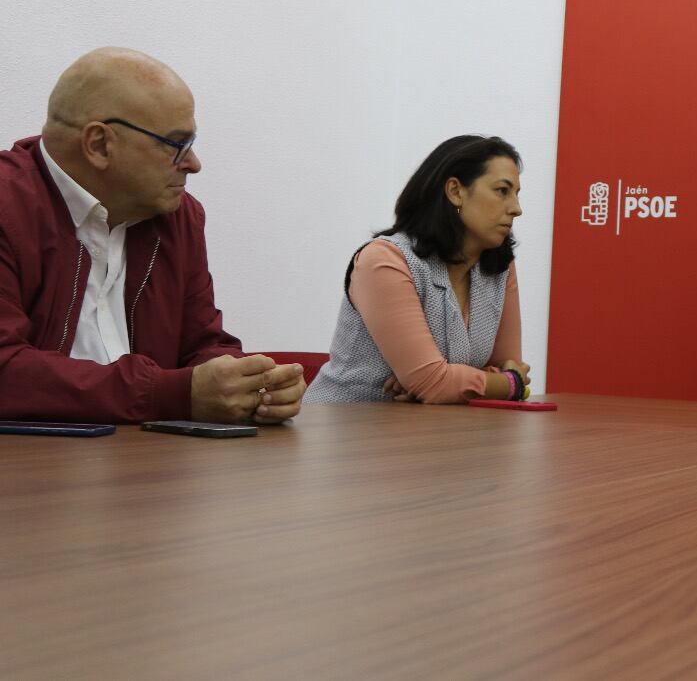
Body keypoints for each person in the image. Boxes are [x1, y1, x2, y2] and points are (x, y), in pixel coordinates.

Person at [0, 47, 305, 423]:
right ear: (99, 145)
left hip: (146, 456)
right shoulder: (8, 206)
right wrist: (166, 394)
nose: (193, 164)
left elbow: (202, 345)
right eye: (177, 144)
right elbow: (6, 370)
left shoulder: (178, 217)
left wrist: (253, 385)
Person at [306, 135, 530, 404]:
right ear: (455, 191)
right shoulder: (385, 261)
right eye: (502, 191)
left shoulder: (498, 267)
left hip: (438, 426)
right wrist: (505, 384)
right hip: (344, 423)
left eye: (516, 194)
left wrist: (447, 382)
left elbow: (508, 369)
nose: (516, 209)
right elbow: (436, 383)